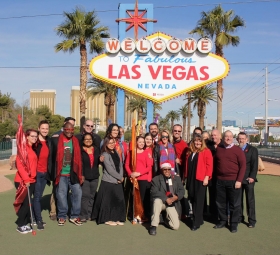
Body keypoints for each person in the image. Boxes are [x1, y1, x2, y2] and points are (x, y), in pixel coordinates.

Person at [51, 122, 83, 226]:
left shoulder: (76, 141)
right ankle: (62, 216)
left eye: (71, 130)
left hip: (73, 173)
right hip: (61, 174)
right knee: (61, 195)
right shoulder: (56, 140)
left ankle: (74, 216)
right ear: (63, 129)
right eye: (67, 130)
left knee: (77, 193)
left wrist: (80, 173)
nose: (69, 132)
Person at [214, 130, 246, 233]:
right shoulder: (219, 149)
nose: (228, 138)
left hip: (233, 181)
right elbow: (216, 163)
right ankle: (223, 221)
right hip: (220, 181)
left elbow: (243, 166)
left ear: (233, 138)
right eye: (226, 136)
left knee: (234, 204)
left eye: (230, 136)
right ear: (223, 138)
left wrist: (239, 180)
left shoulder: (237, 150)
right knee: (220, 203)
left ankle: (233, 224)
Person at [92, 137, 126, 226]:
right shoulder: (105, 154)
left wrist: (121, 177)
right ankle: (107, 218)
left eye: (113, 142)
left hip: (118, 180)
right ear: (105, 144)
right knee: (108, 201)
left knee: (118, 200)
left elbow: (120, 166)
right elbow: (109, 169)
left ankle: (117, 217)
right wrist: (119, 177)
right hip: (108, 181)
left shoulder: (116, 153)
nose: (111, 144)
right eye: (109, 143)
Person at [185, 134, 213, 231]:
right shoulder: (191, 152)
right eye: (196, 141)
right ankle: (199, 219)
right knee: (192, 198)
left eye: (199, 141)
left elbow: (209, 166)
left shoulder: (206, 151)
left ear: (202, 142)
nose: (198, 143)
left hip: (200, 179)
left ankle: (196, 223)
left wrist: (206, 177)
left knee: (198, 201)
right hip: (191, 178)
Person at [50, 116, 76, 220]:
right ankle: (53, 212)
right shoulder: (55, 136)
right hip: (58, 172)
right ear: (64, 124)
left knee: (67, 192)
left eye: (73, 126)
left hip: (70, 172)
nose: (70, 128)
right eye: (69, 124)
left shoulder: (74, 138)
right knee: (57, 192)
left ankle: (67, 212)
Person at [149, 162, 185, 235]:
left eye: (169, 169)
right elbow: (154, 191)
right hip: (161, 202)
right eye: (165, 169)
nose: (167, 171)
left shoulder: (177, 178)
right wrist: (166, 198)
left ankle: (165, 220)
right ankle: (154, 225)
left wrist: (176, 197)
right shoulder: (156, 179)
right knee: (157, 201)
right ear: (162, 170)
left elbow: (182, 190)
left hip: (172, 203)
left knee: (176, 226)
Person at [14, 129, 38, 234]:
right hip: (23, 181)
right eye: (32, 136)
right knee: (26, 203)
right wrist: (26, 179)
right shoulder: (23, 149)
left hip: (31, 180)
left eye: (36, 136)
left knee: (27, 203)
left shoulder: (32, 149)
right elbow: (19, 165)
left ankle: (24, 222)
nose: (34, 138)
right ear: (27, 137)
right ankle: (20, 225)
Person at [125, 136, 153, 219]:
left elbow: (149, 167)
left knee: (142, 198)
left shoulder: (146, 153)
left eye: (143, 142)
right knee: (133, 197)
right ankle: (133, 214)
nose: (141, 143)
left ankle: (141, 215)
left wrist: (139, 173)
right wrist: (131, 174)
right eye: (140, 142)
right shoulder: (131, 152)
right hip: (133, 179)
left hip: (143, 179)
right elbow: (126, 165)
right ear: (136, 142)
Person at [33, 120, 52, 230]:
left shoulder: (48, 142)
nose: (45, 130)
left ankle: (36, 218)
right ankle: (38, 220)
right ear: (39, 128)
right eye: (43, 128)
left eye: (46, 128)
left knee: (38, 196)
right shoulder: (35, 143)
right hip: (36, 173)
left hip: (45, 174)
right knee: (37, 197)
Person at [237, 132, 258, 228]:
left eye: (243, 138)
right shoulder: (236, 149)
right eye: (239, 138)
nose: (241, 140)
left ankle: (251, 220)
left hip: (249, 179)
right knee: (238, 200)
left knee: (250, 200)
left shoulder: (253, 150)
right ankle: (240, 217)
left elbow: (254, 165)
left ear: (246, 139)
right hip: (238, 179)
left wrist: (252, 177)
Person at [79, 133, 100, 222]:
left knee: (92, 195)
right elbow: (79, 164)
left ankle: (90, 213)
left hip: (95, 176)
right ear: (83, 141)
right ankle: (83, 214)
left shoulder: (96, 149)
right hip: (85, 177)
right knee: (85, 196)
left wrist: (101, 159)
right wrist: (81, 174)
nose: (88, 140)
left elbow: (99, 160)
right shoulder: (80, 150)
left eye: (90, 139)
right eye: (86, 139)